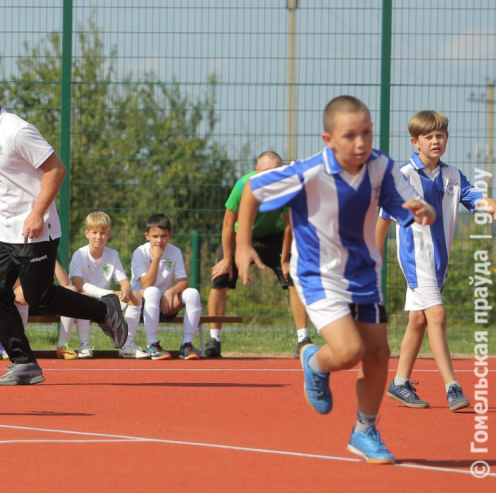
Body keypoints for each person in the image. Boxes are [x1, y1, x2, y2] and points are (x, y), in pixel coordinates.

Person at [235, 96, 435, 464]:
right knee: (348, 352)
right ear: (329, 140)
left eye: (367, 133)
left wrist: (424, 210)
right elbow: (251, 189)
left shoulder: (381, 167)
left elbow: (407, 203)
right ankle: (315, 362)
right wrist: (242, 244)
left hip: (364, 276)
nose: (361, 143)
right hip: (318, 276)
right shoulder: (308, 172)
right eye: (350, 136)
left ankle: (364, 432)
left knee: (377, 354)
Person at [0, 70, 127, 386]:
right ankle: (24, 362)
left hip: (37, 229)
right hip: (0, 231)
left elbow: (56, 170)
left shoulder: (17, 131)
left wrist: (36, 213)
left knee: (39, 296)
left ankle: (104, 310)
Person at [376, 110, 496, 412]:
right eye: (429, 136)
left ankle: (399, 383)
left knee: (419, 320)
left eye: (440, 135)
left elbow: (476, 198)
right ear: (415, 142)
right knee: (437, 316)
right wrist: (374, 256)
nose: (436, 140)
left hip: (439, 262)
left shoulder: (453, 176)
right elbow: (383, 220)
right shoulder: (401, 177)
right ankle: (452, 387)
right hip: (416, 259)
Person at [207, 151, 311, 358]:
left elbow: (290, 225)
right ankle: (214, 340)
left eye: (276, 172)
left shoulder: (288, 187)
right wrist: (228, 259)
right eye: (265, 173)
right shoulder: (243, 185)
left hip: (276, 236)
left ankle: (303, 340)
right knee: (220, 277)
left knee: (294, 278)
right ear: (256, 171)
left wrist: (285, 259)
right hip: (242, 235)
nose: (270, 178)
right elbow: (228, 223)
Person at [123, 213, 202, 360]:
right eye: (155, 236)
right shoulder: (140, 252)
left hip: (164, 304)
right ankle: (152, 344)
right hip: (140, 305)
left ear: (170, 235)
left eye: (164, 236)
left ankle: (186, 345)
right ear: (147, 236)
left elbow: (184, 281)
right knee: (152, 291)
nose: (159, 240)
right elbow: (147, 284)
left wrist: (171, 291)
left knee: (193, 293)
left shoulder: (175, 251)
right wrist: (157, 257)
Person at [60, 211, 136, 360]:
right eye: (94, 232)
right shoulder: (79, 255)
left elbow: (124, 282)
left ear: (109, 234)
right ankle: (83, 344)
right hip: (90, 297)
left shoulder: (113, 254)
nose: (98, 237)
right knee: (82, 297)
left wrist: (125, 292)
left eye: (103, 233)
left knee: (135, 298)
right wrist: (110, 293)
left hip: (107, 301)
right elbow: (78, 285)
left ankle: (127, 345)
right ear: (87, 233)